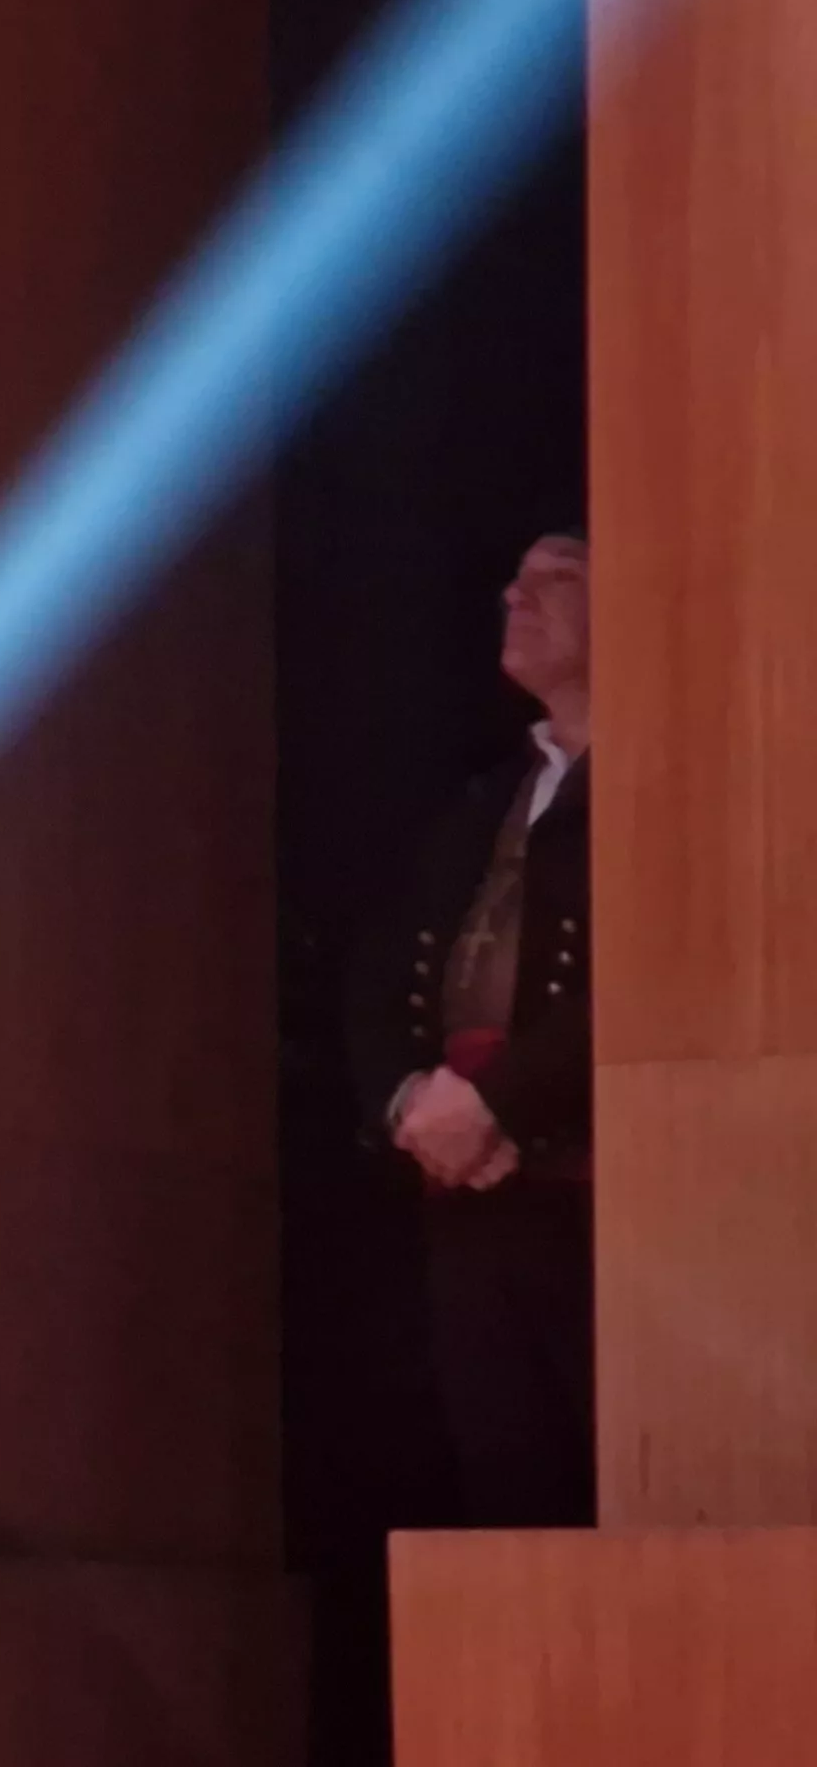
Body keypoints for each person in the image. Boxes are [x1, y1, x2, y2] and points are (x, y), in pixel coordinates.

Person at [348, 531, 592, 1528]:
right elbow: (374, 975)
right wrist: (411, 1104)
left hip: (600, 1192)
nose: (513, 596)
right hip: (472, 1197)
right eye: (513, 581)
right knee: (504, 1491)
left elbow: (659, 976)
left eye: (555, 580)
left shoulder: (669, 789)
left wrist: (500, 1100)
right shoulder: (480, 803)